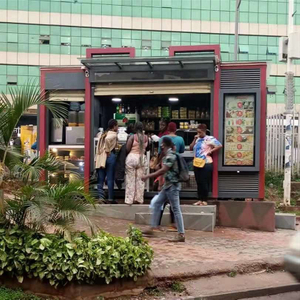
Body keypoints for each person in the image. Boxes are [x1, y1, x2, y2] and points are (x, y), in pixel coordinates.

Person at [142, 137, 185, 243]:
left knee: (176, 209)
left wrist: (148, 176)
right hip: (168, 186)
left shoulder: (170, 156)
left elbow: (163, 170)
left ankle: (181, 234)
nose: (160, 147)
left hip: (172, 186)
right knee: (157, 203)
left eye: (161, 145)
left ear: (164, 145)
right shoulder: (169, 155)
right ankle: (153, 227)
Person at [158, 122, 185, 231]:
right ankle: (173, 224)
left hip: (166, 171)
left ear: (167, 129)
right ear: (176, 129)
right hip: (175, 172)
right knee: (172, 202)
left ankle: (156, 224)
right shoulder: (180, 139)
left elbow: (160, 153)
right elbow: (182, 151)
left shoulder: (162, 138)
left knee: (163, 201)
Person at [190, 124, 222, 206]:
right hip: (197, 162)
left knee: (204, 182)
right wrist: (194, 139)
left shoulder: (209, 139)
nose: (198, 134)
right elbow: (191, 147)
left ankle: (205, 199)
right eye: (197, 132)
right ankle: (199, 199)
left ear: (204, 131)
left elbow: (219, 145)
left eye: (200, 132)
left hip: (206, 162)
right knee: (198, 182)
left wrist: (211, 151)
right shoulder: (197, 139)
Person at [95, 119, 118, 204]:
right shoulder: (113, 134)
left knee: (100, 178)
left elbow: (98, 146)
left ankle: (101, 198)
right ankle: (110, 198)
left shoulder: (102, 134)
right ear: (114, 126)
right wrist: (108, 151)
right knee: (110, 178)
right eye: (117, 125)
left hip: (100, 157)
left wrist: (96, 158)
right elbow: (108, 140)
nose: (118, 127)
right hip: (109, 156)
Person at [125, 122, 149, 205]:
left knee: (130, 180)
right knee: (140, 180)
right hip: (142, 159)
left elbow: (127, 149)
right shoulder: (146, 138)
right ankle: (139, 199)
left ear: (135, 128)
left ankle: (129, 200)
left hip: (132, 158)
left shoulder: (132, 137)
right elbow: (148, 148)